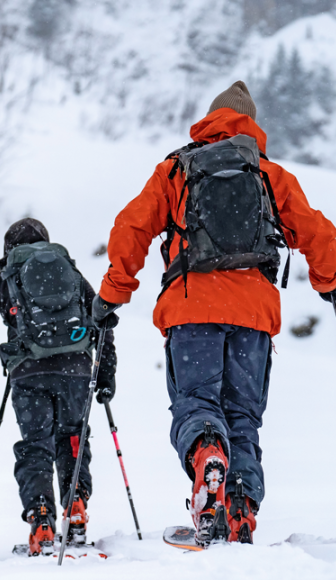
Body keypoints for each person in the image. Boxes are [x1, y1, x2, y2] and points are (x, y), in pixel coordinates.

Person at [92, 81, 336, 546]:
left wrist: (112, 296)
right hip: (254, 315)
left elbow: (132, 227)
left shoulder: (177, 170)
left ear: (209, 120)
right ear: (251, 124)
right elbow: (318, 233)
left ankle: (206, 453)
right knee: (243, 417)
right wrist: (332, 283)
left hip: (192, 306)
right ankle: (240, 508)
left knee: (197, 403)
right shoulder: (269, 175)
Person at [0, 218, 117, 556]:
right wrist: (105, 375)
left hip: (29, 375)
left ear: (8, 250)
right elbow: (101, 319)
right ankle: (76, 507)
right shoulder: (70, 274)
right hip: (76, 369)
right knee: (73, 437)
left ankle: (41, 516)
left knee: (36, 445)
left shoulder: (3, 281)